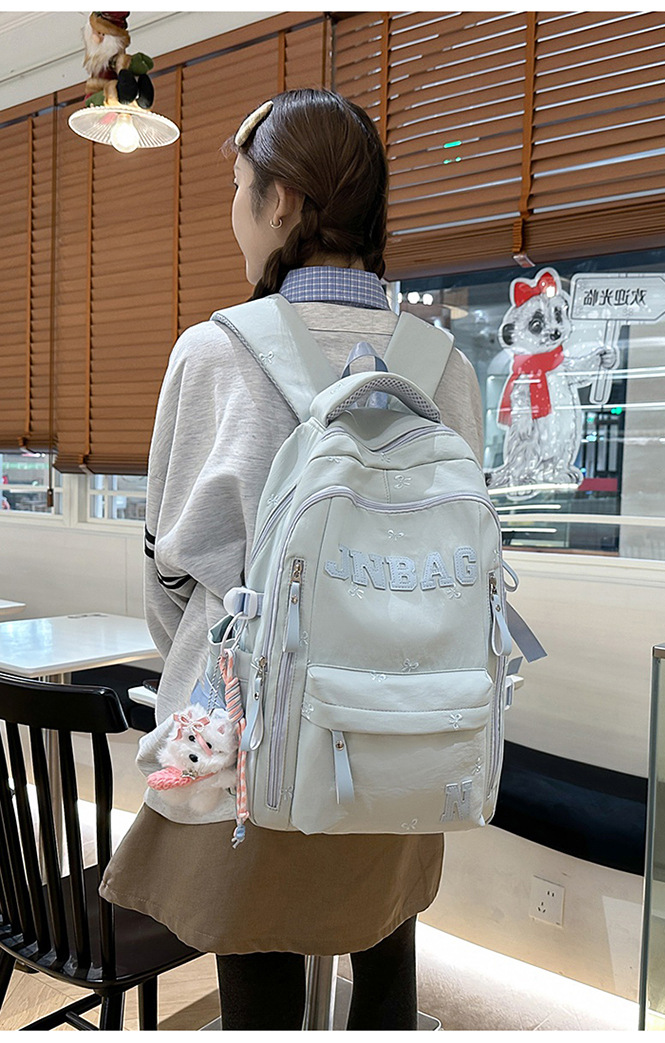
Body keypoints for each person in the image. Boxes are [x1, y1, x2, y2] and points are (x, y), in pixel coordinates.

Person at [100, 88, 484, 1031]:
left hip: (251, 742)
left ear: (281, 204)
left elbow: (171, 574)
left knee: (260, 990)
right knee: (385, 963)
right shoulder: (444, 365)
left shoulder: (213, 354)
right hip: (404, 731)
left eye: (240, 188)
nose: (234, 212)